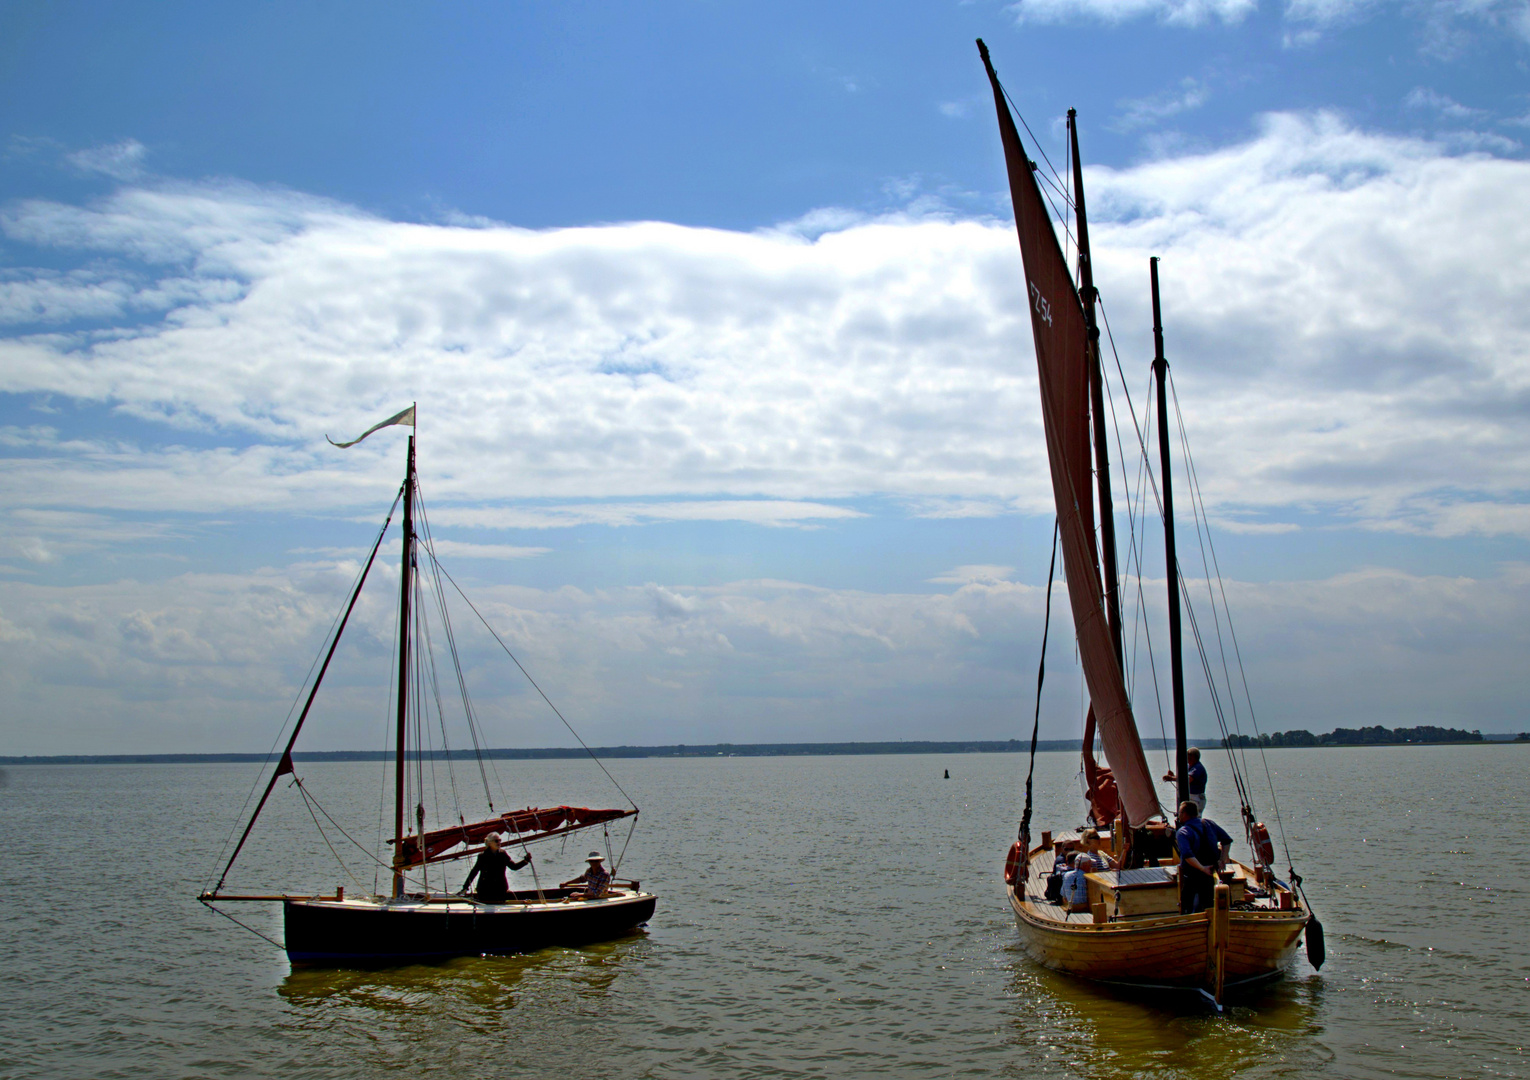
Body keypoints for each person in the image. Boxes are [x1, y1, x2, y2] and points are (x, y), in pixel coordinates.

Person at [1174, 800, 1232, 914]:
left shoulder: (1183, 832)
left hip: (1193, 875)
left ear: (1185, 814)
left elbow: (1187, 855)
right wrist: (1222, 860)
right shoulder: (1209, 824)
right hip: (1211, 873)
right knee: (1209, 904)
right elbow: (1227, 840)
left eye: (1180, 813)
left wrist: (1202, 868)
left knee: (1189, 906)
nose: (1178, 816)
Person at [461, 833, 530, 904]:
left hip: (500, 889)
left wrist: (525, 861)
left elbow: (513, 867)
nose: (499, 843)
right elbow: (474, 872)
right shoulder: (483, 856)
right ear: (489, 843)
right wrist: (465, 887)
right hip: (485, 890)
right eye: (496, 841)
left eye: (500, 840)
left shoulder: (502, 854)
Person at [1163, 748, 1208, 814]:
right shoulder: (1189, 766)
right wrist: (1173, 776)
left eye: (1187, 756)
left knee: (1194, 817)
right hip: (1191, 796)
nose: (1185, 758)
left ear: (1192, 756)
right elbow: (1183, 778)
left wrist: (1172, 778)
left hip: (1196, 798)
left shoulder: (1198, 768)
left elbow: (1188, 779)